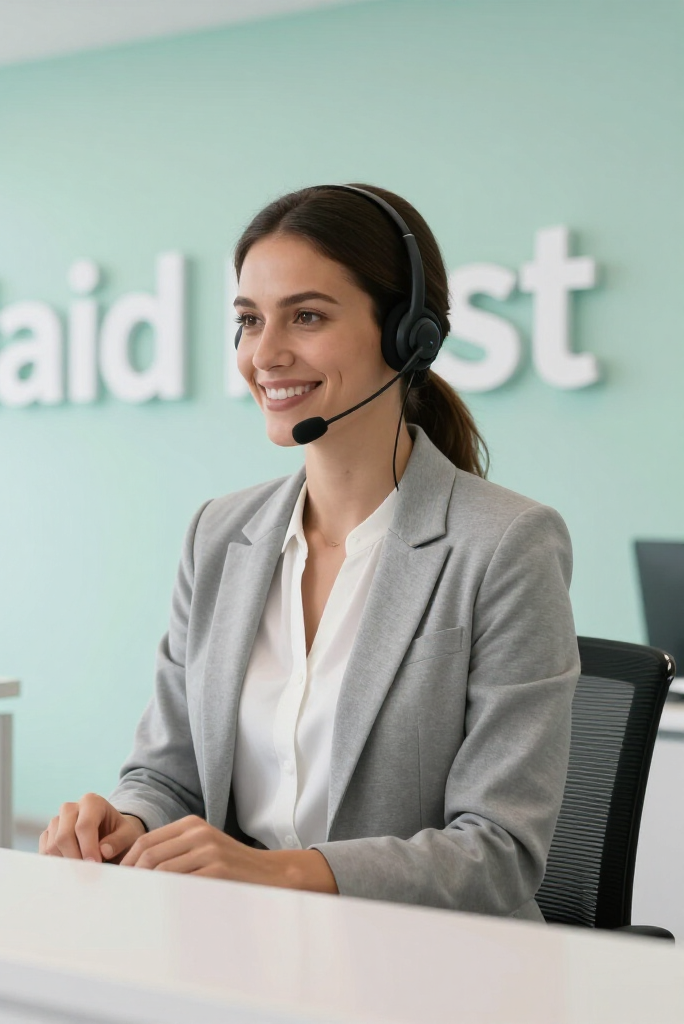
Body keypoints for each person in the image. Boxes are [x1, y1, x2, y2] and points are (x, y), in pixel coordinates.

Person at [40, 184, 579, 920]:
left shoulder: (504, 544)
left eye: (308, 316)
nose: (266, 354)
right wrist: (128, 823)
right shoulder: (219, 535)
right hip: (241, 946)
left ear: (407, 334)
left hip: (429, 965)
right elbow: (169, 776)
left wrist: (280, 873)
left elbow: (499, 851)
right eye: (249, 320)